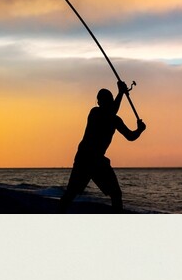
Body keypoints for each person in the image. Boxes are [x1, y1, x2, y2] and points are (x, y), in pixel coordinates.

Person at [59, 80, 146, 212]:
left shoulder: (115, 119)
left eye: (105, 100)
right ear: (99, 103)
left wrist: (139, 130)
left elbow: (130, 136)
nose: (102, 102)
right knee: (71, 193)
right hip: (85, 158)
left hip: (96, 160)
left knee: (115, 194)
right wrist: (121, 93)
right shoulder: (95, 113)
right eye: (102, 100)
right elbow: (110, 113)